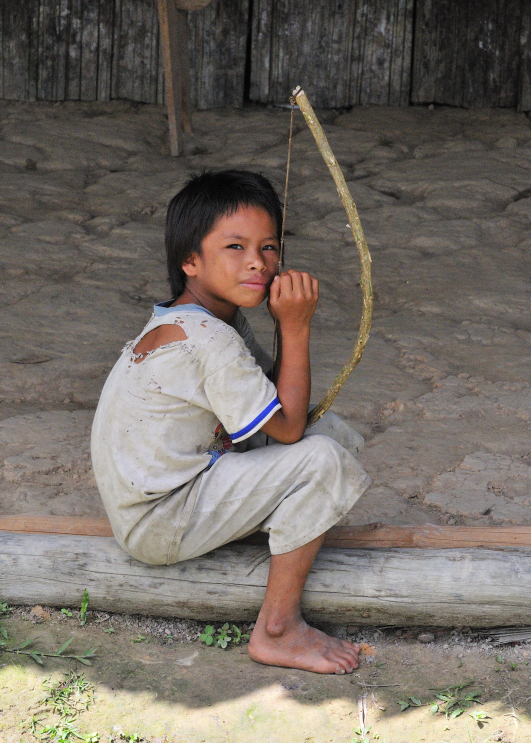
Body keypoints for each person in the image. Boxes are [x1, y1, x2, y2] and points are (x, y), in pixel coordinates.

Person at [91, 170, 370, 674]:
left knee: (327, 432)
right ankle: (278, 630)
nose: (257, 264)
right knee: (321, 459)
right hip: (160, 520)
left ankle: (285, 532)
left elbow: (278, 404)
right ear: (190, 261)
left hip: (169, 496)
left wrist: (285, 325)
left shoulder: (203, 320)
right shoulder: (209, 340)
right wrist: (295, 325)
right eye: (235, 247)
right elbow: (285, 429)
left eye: (268, 248)